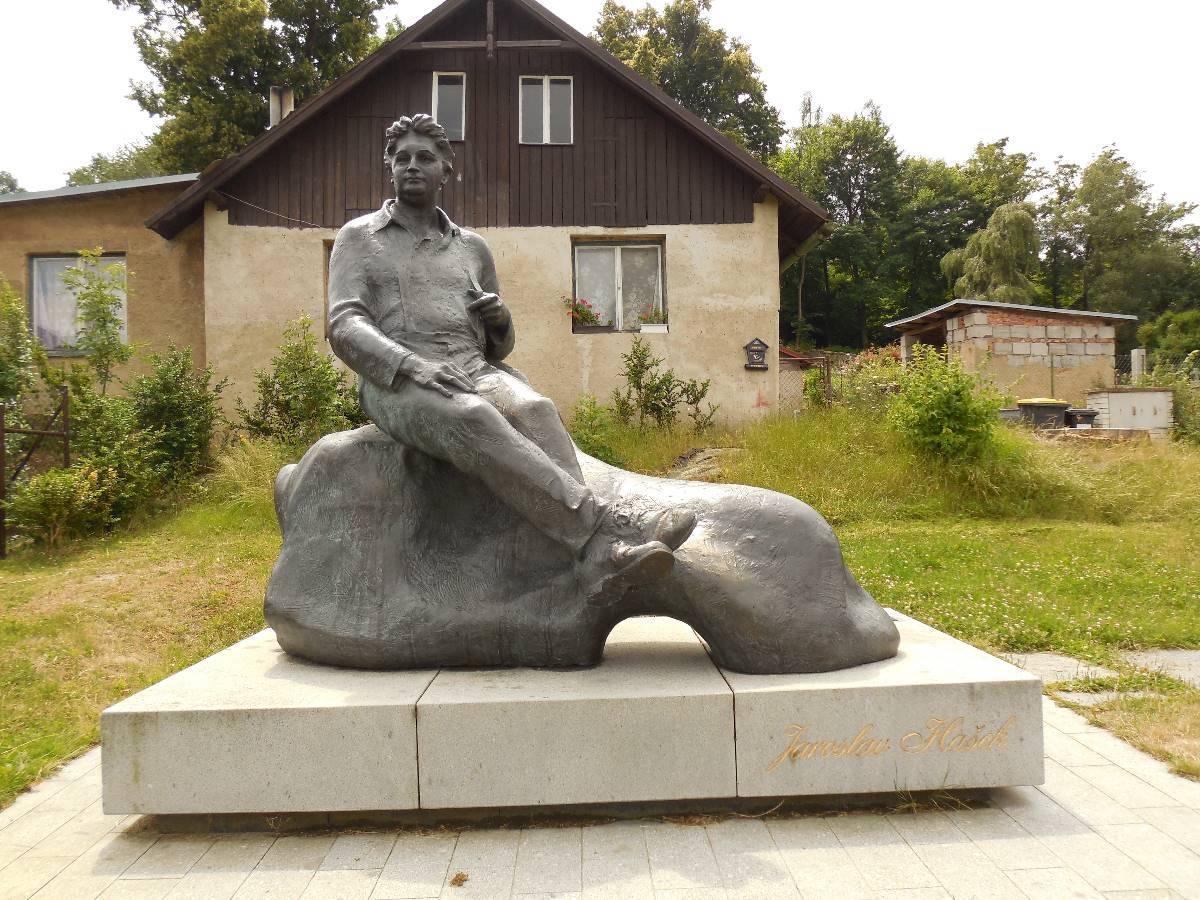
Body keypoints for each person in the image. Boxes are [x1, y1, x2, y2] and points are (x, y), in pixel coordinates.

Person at [327, 114, 694, 598]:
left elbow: (496, 347)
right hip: (398, 379)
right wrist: (412, 366)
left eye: (425, 158)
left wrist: (499, 320)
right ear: (389, 167)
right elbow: (344, 324)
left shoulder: (472, 249)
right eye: (402, 158)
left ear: (445, 171)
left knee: (534, 408)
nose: (412, 166)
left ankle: (584, 547)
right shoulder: (359, 237)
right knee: (473, 417)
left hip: (472, 366)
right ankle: (602, 536)